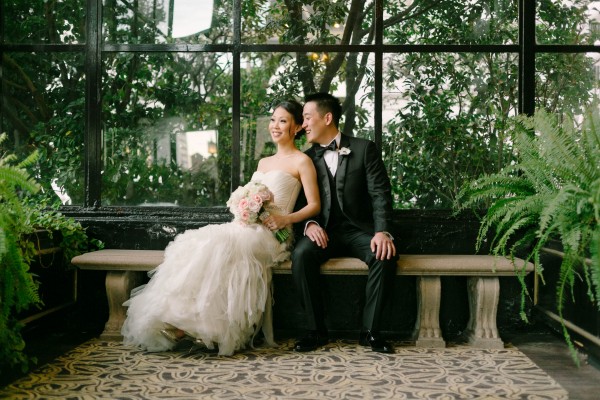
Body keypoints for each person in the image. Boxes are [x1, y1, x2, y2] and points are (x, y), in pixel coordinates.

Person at [121, 100, 320, 356]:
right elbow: (252, 199)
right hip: (244, 226)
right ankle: (185, 321)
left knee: (224, 246)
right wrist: (244, 207)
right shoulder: (263, 163)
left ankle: (203, 327)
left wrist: (286, 219)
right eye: (272, 120)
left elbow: (314, 205)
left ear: (296, 128)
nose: (275, 126)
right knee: (202, 244)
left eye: (283, 121)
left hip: (273, 233)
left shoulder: (302, 161)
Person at [291, 92, 397, 354]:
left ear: (327, 118)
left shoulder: (364, 149)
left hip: (359, 231)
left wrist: (382, 231)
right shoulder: (305, 158)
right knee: (302, 254)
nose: (303, 124)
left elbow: (380, 194)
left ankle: (370, 331)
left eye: (307, 117)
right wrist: (310, 225)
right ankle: (315, 331)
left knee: (384, 255)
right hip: (322, 232)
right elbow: (299, 201)